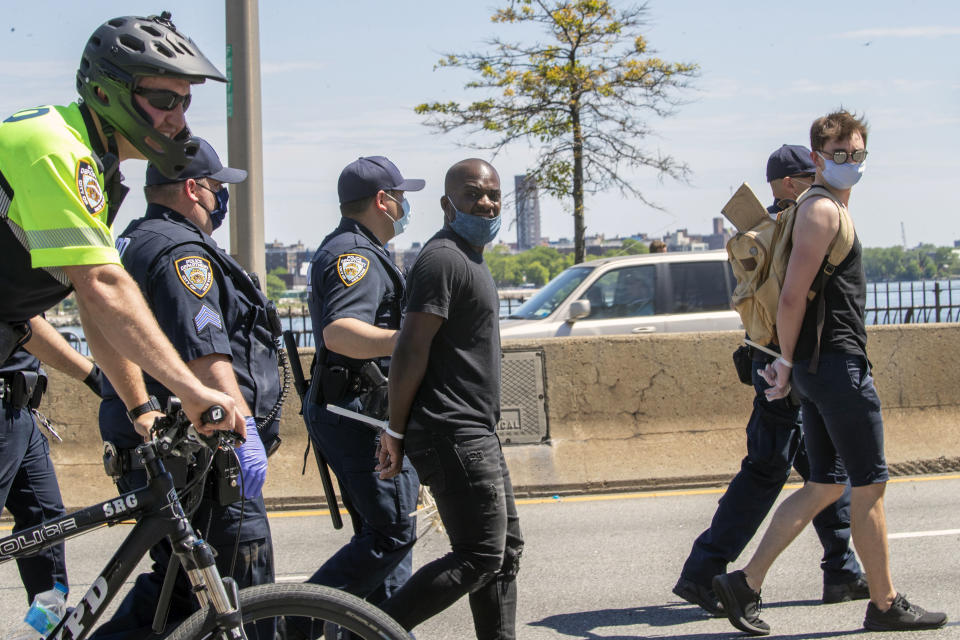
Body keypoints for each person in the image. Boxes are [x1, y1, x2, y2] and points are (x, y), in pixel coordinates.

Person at [713, 111, 947, 635]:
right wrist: (787, 363)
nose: (850, 163)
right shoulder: (821, 212)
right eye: (839, 154)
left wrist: (795, 366)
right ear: (817, 157)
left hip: (821, 368)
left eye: (858, 154)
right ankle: (884, 605)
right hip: (836, 367)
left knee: (823, 483)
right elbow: (793, 296)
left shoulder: (818, 207)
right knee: (870, 487)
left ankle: (744, 582)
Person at [0, 12, 244, 439]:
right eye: (165, 101)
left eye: (184, 102)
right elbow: (103, 285)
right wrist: (191, 390)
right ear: (105, 92)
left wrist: (140, 408)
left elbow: (91, 299)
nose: (180, 121)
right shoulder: (58, 150)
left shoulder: (95, 165)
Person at [92, 140, 280, 638]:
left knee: (179, 590)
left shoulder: (133, 240)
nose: (222, 199)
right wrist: (243, 437)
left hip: (158, 444)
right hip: (202, 454)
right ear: (193, 189)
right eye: (219, 188)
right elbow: (207, 355)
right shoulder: (181, 253)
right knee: (242, 588)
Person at [672, 144, 866, 616]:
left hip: (777, 359)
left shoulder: (761, 231)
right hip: (784, 363)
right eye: (804, 175)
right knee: (766, 470)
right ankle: (703, 573)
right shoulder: (783, 227)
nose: (812, 182)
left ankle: (841, 569)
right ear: (783, 183)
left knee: (824, 471)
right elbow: (792, 299)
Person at [376, 159, 524, 640]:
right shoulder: (442, 259)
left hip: (475, 430)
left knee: (502, 553)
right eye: (472, 194)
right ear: (447, 204)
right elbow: (409, 348)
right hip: (451, 431)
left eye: (493, 195)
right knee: (479, 554)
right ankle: (366, 631)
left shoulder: (469, 257)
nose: (486, 203)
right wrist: (395, 432)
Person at [305, 156, 421, 603]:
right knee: (390, 533)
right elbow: (340, 332)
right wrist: (408, 342)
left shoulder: (362, 249)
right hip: (357, 415)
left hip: (361, 411)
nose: (406, 206)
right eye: (402, 197)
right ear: (382, 200)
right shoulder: (353, 256)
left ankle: (379, 630)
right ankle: (287, 623)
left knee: (388, 536)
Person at [1, 317, 103, 605]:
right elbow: (26, 322)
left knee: (46, 523)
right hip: (4, 409)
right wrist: (96, 377)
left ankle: (49, 626)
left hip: (21, 409)